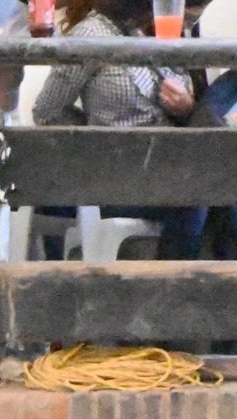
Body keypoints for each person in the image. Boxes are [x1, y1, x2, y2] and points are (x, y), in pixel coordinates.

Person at [32, 0, 202, 256]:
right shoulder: (90, 36)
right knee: (204, 190)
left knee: (221, 184)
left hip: (166, 166)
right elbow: (47, 111)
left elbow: (183, 90)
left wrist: (185, 103)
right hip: (121, 176)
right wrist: (96, 133)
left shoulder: (145, 33)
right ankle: (177, 282)